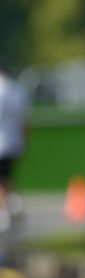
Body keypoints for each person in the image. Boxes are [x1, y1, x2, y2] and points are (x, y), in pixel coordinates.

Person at [0, 60, 27, 232]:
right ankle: (12, 206)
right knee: (7, 178)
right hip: (12, 141)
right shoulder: (16, 90)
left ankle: (5, 213)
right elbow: (23, 119)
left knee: (2, 180)